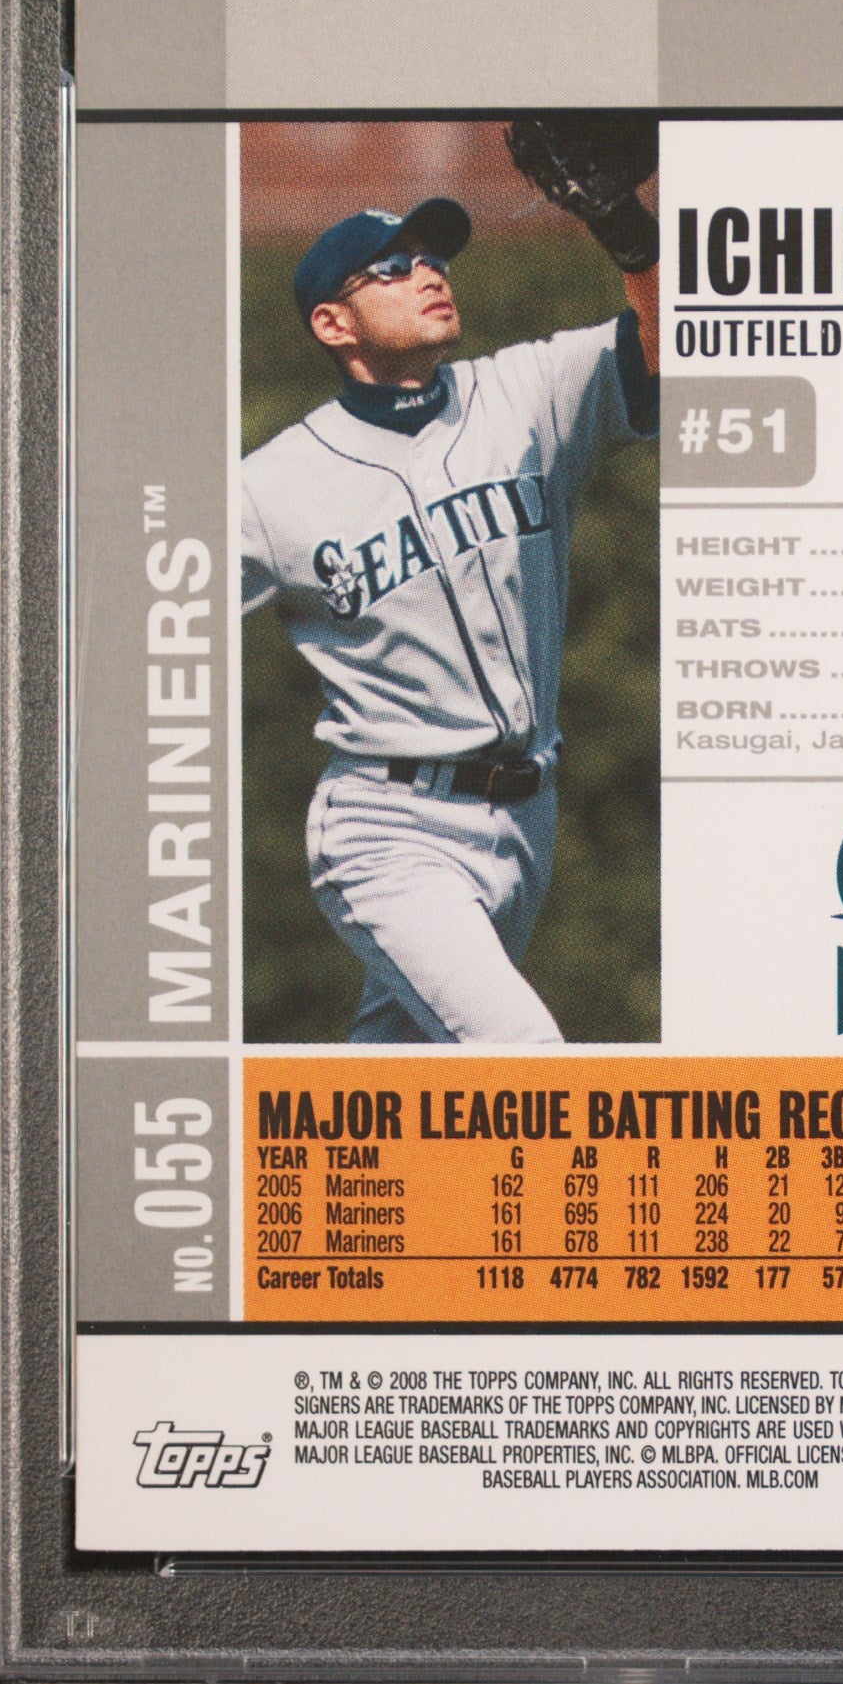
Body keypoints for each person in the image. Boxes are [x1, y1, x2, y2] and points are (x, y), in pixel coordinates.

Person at [241, 170, 659, 1045]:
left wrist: (631, 236)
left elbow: (673, 344)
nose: (429, 273)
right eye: (393, 268)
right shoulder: (266, 489)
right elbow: (140, 617)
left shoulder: (526, 392)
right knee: (525, 1063)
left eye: (432, 258)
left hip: (527, 812)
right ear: (333, 324)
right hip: (388, 826)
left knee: (400, 1083)